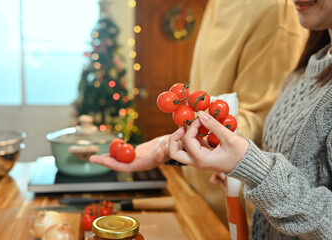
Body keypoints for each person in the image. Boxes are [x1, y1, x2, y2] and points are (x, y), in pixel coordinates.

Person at [91, 0, 307, 229]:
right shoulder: (217, 4)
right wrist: (168, 147)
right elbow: (204, 103)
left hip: (234, 201)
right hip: (197, 182)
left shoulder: (275, 10)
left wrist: (169, 146)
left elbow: (259, 121)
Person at [167, 0, 332, 237]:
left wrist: (254, 170)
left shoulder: (274, 15)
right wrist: (245, 171)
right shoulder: (304, 70)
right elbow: (288, 163)